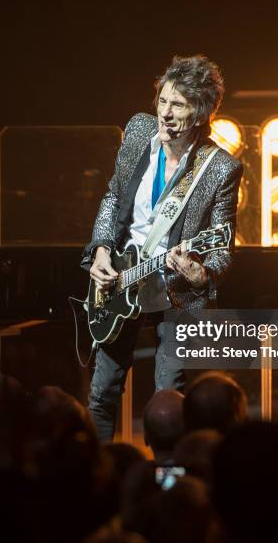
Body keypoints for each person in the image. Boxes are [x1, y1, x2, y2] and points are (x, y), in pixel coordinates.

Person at [82, 55, 243, 440]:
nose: (166, 114)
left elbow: (222, 247)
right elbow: (112, 197)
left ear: (201, 113)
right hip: (121, 278)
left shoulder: (220, 168)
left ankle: (168, 480)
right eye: (163, 101)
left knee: (168, 401)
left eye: (179, 106)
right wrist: (101, 249)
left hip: (173, 290)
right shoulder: (138, 131)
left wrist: (201, 272)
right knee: (102, 392)